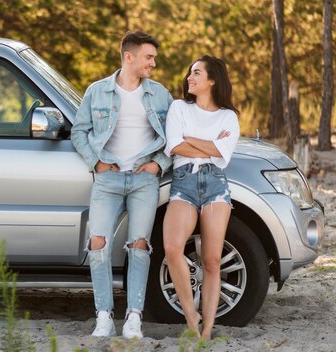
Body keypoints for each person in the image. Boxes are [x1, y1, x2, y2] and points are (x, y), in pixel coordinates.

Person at [71, 31, 173, 339]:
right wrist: (96, 162)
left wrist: (159, 164)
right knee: (98, 244)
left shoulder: (159, 94)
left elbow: (174, 136)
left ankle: (133, 318)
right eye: (149, 57)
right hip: (108, 178)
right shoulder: (97, 91)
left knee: (139, 247)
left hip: (144, 181)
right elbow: (79, 131)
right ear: (129, 57)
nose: (153, 63)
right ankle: (103, 315)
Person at [162, 55, 240, 340]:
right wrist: (209, 145)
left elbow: (223, 152)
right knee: (172, 249)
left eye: (196, 73)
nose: (189, 78)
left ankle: (206, 329)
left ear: (212, 80)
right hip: (183, 183)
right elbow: (174, 145)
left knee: (211, 260)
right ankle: (191, 317)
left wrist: (190, 139)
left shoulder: (228, 117)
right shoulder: (179, 107)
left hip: (216, 186)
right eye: (189, 73)